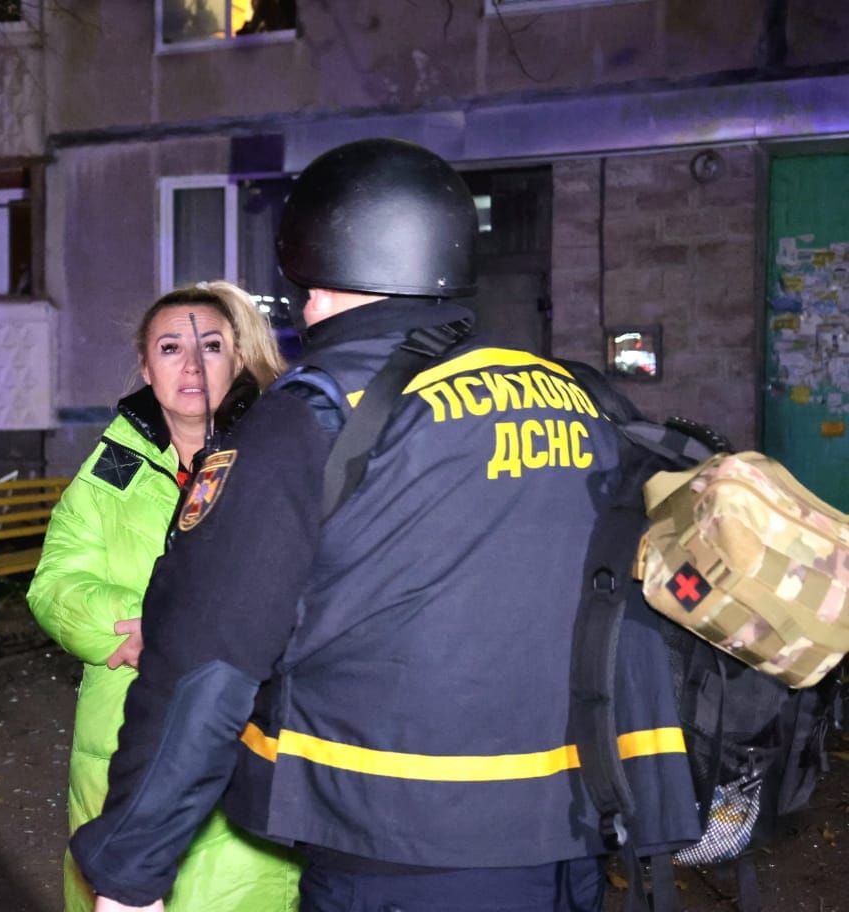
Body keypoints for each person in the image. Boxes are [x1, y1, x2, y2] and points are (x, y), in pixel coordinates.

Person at [68, 139, 703, 912]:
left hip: (398, 844)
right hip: (575, 838)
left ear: (317, 279)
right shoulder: (579, 395)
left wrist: (131, 868)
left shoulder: (312, 415)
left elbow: (207, 659)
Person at [28, 281, 300, 912]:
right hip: (122, 741)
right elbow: (56, 582)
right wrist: (135, 626)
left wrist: (180, 630)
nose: (193, 364)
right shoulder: (113, 468)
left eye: (212, 346)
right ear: (146, 368)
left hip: (244, 738)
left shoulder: (278, 455)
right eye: (171, 348)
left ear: (239, 359)